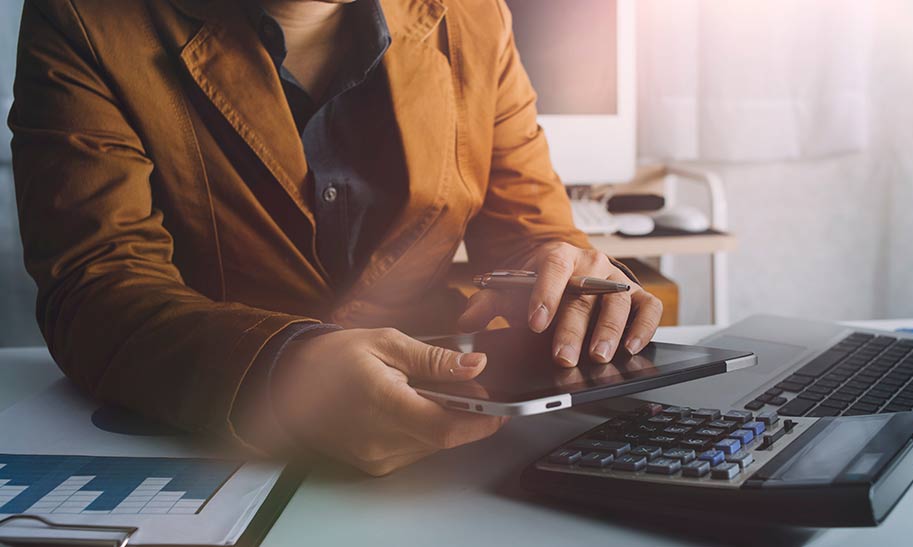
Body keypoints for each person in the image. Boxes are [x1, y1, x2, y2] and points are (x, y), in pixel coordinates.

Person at [9, 0, 663, 475]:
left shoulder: (472, 16)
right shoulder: (82, 18)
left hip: (451, 433)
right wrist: (283, 369)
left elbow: (534, 233)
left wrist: (564, 268)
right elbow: (94, 289)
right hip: (205, 439)